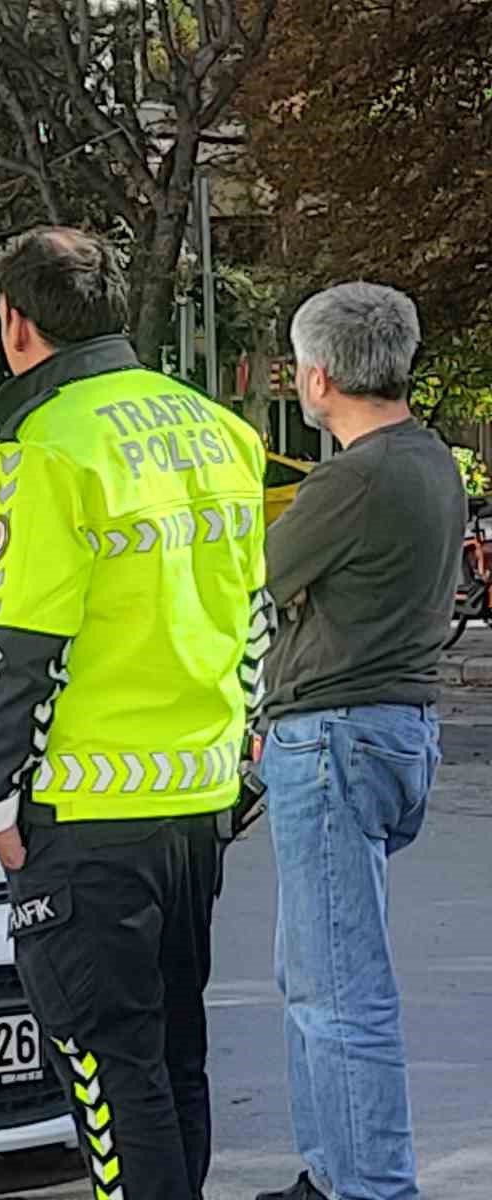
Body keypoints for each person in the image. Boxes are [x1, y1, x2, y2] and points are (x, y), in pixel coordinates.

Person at [0, 227, 267, 1200]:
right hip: (195, 803)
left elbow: (20, 647)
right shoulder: (219, 431)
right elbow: (250, 618)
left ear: (16, 323)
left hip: (87, 817)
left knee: (107, 1072)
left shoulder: (42, 450)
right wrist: (240, 760)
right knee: (176, 1061)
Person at [255, 284, 464, 1200]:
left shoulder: (354, 476)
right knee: (314, 979)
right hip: (392, 730)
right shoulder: (434, 462)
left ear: (319, 374)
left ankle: (370, 1188)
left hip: (335, 736)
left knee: (338, 994)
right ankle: (333, 1176)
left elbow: (260, 579)